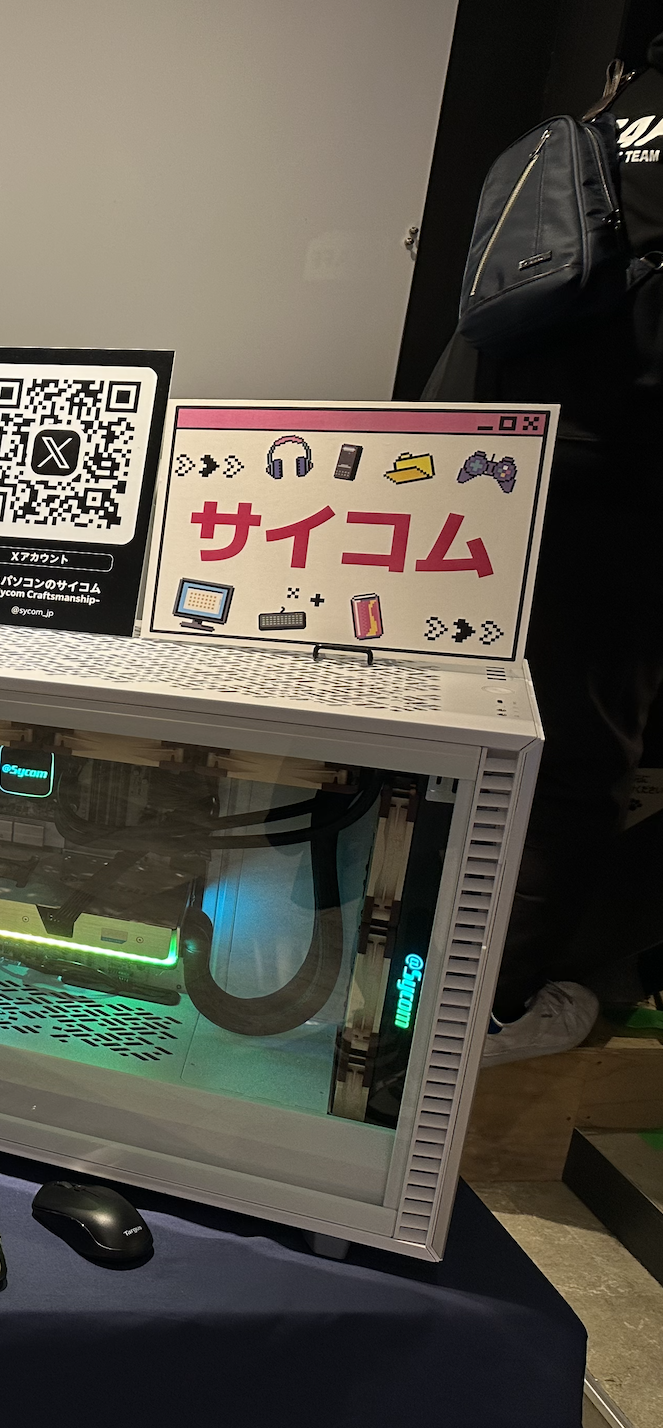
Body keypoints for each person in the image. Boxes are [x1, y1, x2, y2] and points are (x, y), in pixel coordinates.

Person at [428, 40, 663, 1066]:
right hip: (624, 480)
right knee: (572, 755)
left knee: (470, 736)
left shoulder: (614, 109)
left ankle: (420, 974)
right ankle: (489, 1010)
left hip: (489, 456)